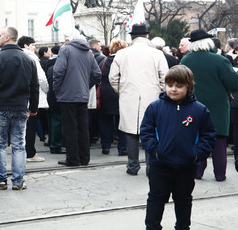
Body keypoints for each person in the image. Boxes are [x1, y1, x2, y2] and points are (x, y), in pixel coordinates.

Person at [140, 65, 216, 230]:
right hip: (160, 164)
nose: (173, 89)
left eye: (179, 86)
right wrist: (155, 150)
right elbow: (146, 131)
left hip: (186, 165)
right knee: (156, 198)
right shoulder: (156, 107)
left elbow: (208, 134)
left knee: (184, 199)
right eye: (170, 85)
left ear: (188, 87)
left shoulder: (199, 110)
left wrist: (197, 153)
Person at [0, 27, 38, 191]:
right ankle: (18, 181)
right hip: (20, 107)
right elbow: (34, 87)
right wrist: (33, 108)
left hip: (0, 106)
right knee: (19, 144)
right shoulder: (29, 60)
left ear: (7, 38)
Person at [109, 22, 168, 175]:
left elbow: (113, 77)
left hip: (129, 96)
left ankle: (133, 166)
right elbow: (165, 77)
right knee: (151, 131)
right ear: (147, 36)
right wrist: (160, 91)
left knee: (131, 132)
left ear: (132, 37)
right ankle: (151, 166)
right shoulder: (157, 53)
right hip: (152, 97)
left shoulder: (122, 53)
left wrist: (122, 91)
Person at [180, 29, 238, 181]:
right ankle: (220, 174)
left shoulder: (185, 61)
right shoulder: (220, 60)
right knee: (219, 141)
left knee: (197, 138)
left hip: (193, 105)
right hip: (218, 107)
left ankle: (197, 171)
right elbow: (234, 82)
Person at [53, 35, 101, 167]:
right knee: (83, 127)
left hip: (68, 95)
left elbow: (58, 71)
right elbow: (97, 74)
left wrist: (58, 90)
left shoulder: (66, 50)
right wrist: (86, 85)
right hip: (82, 95)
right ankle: (84, 158)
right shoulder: (88, 52)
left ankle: (73, 159)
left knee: (70, 128)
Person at [18, 35, 48, 162]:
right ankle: (30, 153)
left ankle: (22, 151)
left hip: (20, 97)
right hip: (34, 97)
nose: (35, 48)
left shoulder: (17, 56)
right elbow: (41, 78)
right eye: (33, 45)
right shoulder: (32, 58)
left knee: (21, 127)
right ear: (26, 45)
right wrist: (46, 89)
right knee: (31, 126)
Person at [99, 39, 129, 155]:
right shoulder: (125, 61)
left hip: (105, 93)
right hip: (121, 92)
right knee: (122, 121)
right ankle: (123, 148)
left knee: (105, 121)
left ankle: (105, 146)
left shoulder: (104, 61)